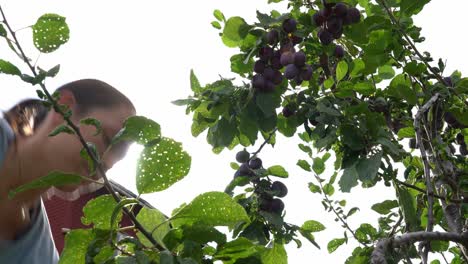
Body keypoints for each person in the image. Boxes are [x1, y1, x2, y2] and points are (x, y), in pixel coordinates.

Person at [0, 79, 136, 263]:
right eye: (106, 138)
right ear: (64, 107)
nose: (106, 164)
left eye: (116, 160)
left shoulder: (42, 256)